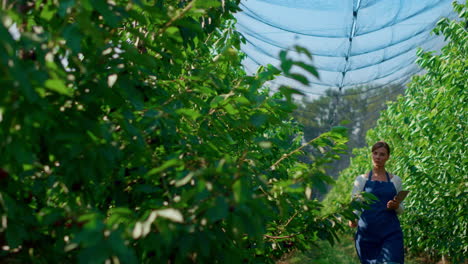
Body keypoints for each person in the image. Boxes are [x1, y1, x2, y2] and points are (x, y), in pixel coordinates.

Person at [348, 141, 405, 264]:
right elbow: (355, 204)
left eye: (382, 154)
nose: (378, 157)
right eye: (375, 153)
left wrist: (396, 206)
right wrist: (352, 218)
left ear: (388, 157)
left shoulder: (395, 180)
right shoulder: (361, 180)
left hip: (391, 232)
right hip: (367, 234)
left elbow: (401, 209)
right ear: (371, 155)